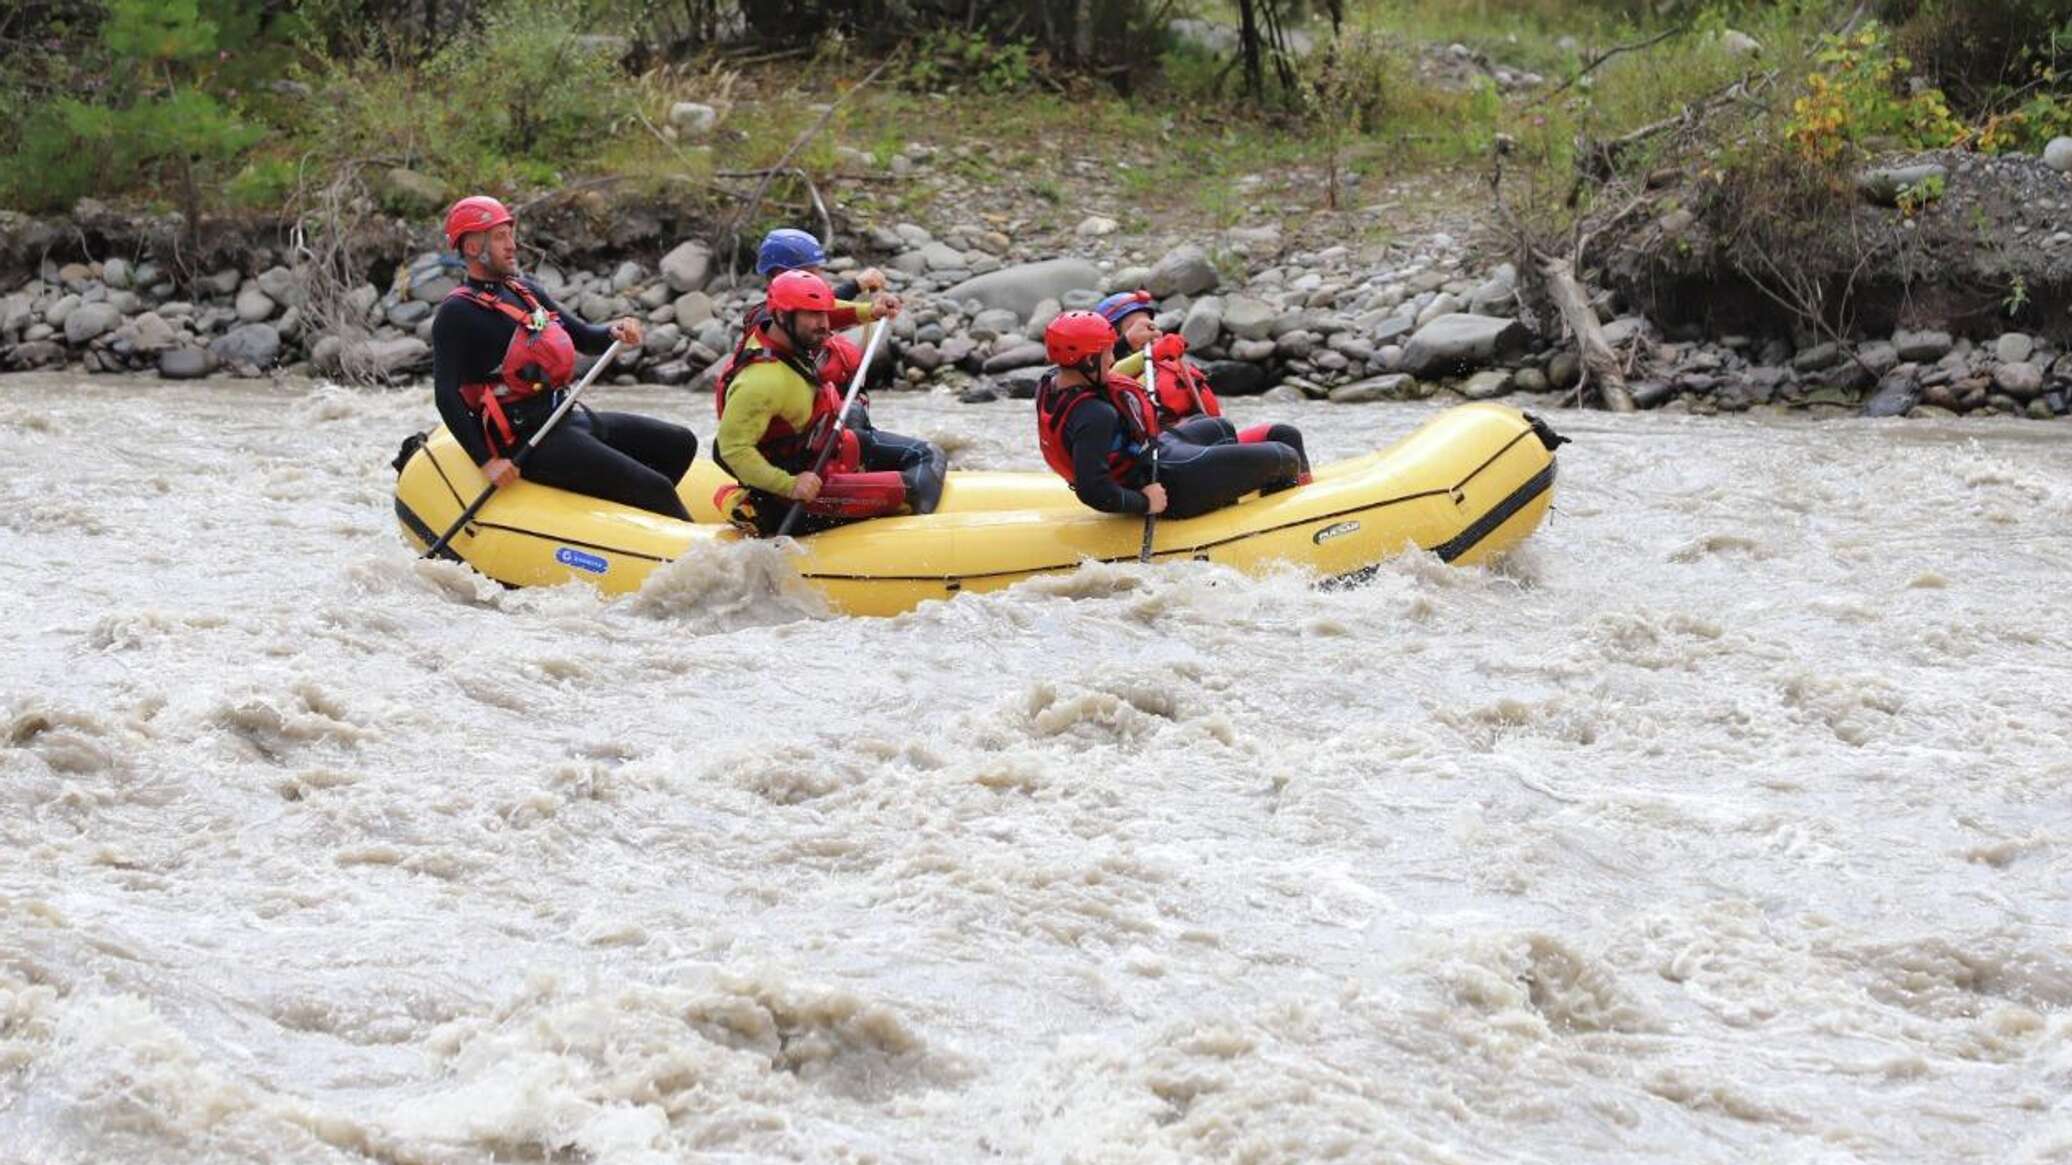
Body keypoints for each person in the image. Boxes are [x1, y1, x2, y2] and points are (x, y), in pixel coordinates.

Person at [432, 195, 698, 520]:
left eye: (510, 235)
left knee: (679, 443)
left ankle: (628, 527)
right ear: (472, 247)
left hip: (564, 417)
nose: (512, 245)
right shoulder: (457, 312)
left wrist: (615, 331)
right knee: (655, 487)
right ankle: (674, 541)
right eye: (500, 237)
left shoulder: (525, 291)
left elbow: (584, 336)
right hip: (526, 441)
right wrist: (487, 461)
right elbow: (446, 394)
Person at [712, 271, 942, 536]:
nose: (824, 324)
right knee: (913, 490)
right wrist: (789, 485)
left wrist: (870, 311)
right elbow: (732, 450)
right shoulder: (761, 382)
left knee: (927, 453)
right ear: (782, 316)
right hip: (792, 498)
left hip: (817, 453)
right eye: (813, 315)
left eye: (823, 314)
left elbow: (825, 312)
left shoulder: (769, 322)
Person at [1034, 311, 1302, 521]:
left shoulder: (1051, 382)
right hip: (1168, 484)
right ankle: (1286, 527)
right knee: (1285, 455)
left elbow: (1094, 360)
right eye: (1107, 353)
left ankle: (1231, 502)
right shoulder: (1095, 415)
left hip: (1154, 458)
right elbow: (1092, 491)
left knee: (1219, 428)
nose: (1112, 358)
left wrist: (1128, 342)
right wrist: (1146, 502)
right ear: (1089, 361)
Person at [752, 228, 946, 492]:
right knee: (926, 453)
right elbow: (819, 311)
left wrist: (870, 309)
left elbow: (821, 309)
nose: (820, 279)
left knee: (854, 415)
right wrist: (855, 287)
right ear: (778, 274)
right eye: (811, 272)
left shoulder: (790, 318)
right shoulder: (770, 323)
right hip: (802, 455)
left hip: (818, 438)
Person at [1095, 289, 1310, 482]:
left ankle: (1298, 499)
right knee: (1277, 454)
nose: (1147, 332)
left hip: (1206, 445)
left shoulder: (1170, 364)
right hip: (1169, 460)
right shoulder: (1108, 379)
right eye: (1134, 327)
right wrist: (1139, 351)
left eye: (1149, 325)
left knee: (1285, 435)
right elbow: (1106, 379)